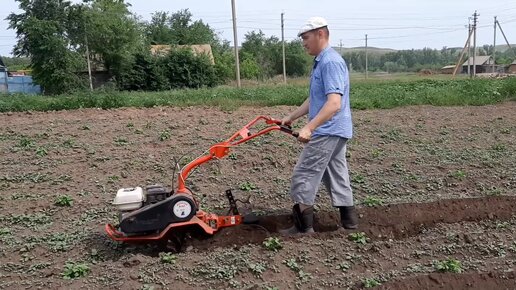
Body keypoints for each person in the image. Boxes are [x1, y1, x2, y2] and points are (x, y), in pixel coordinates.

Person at [280, 17, 357, 235]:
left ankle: (304, 228)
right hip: (337, 130)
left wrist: (310, 128)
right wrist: (292, 117)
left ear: (320, 34)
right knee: (336, 174)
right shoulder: (322, 61)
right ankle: (349, 224)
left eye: (306, 38)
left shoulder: (330, 62)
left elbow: (334, 103)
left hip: (328, 130)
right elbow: (316, 98)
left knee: (303, 174)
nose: (303, 43)